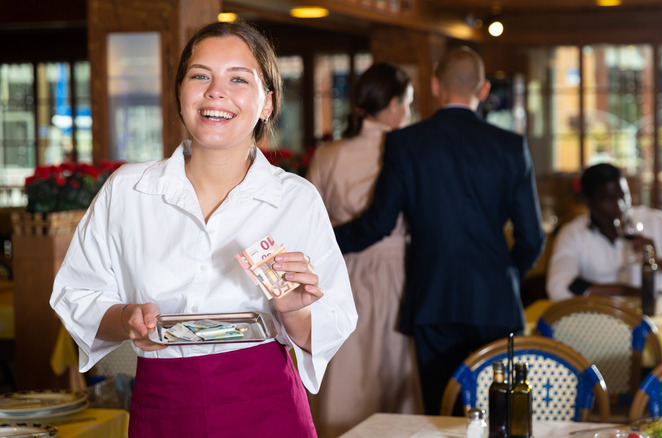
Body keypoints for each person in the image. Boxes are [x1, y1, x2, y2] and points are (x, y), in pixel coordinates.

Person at [49, 21, 357, 437]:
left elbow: (332, 323)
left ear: (267, 103)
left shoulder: (295, 200)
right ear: (180, 93)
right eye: (200, 76)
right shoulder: (129, 190)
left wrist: (292, 309)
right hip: (163, 407)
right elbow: (76, 294)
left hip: (266, 405)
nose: (216, 92)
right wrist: (126, 318)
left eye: (238, 79)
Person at [333, 46, 546, 415]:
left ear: (434, 85)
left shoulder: (406, 143)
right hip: (495, 298)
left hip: (433, 295)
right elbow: (532, 237)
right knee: (498, 412)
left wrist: (322, 239)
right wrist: (506, 273)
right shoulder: (511, 147)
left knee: (442, 413)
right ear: (482, 90)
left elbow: (378, 224)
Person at [306, 62, 423, 437]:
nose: (407, 113)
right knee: (391, 365)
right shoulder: (408, 152)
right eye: (406, 103)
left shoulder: (329, 155)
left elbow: (309, 222)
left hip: (339, 270)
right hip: (395, 270)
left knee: (348, 368)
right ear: (390, 106)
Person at [546, 162, 662, 305]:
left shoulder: (657, 223)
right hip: (601, 325)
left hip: (658, 323)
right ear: (588, 201)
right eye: (608, 200)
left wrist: (656, 259)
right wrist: (625, 291)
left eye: (623, 196)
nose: (619, 207)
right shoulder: (573, 234)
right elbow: (558, 288)